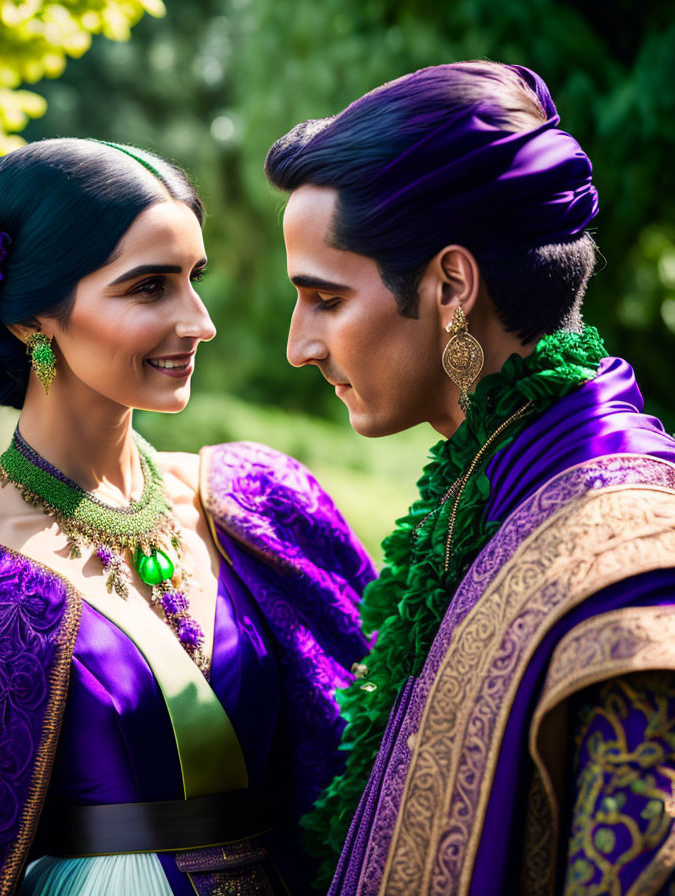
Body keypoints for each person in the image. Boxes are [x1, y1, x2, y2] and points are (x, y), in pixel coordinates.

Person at [264, 61, 675, 895]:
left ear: (450, 286)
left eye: (325, 299)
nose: (297, 346)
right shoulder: (484, 489)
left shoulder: (628, 557)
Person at [0, 138, 375, 896]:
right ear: (32, 320)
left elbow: (376, 728)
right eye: (150, 287)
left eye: (195, 279)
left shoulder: (256, 504)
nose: (200, 321)